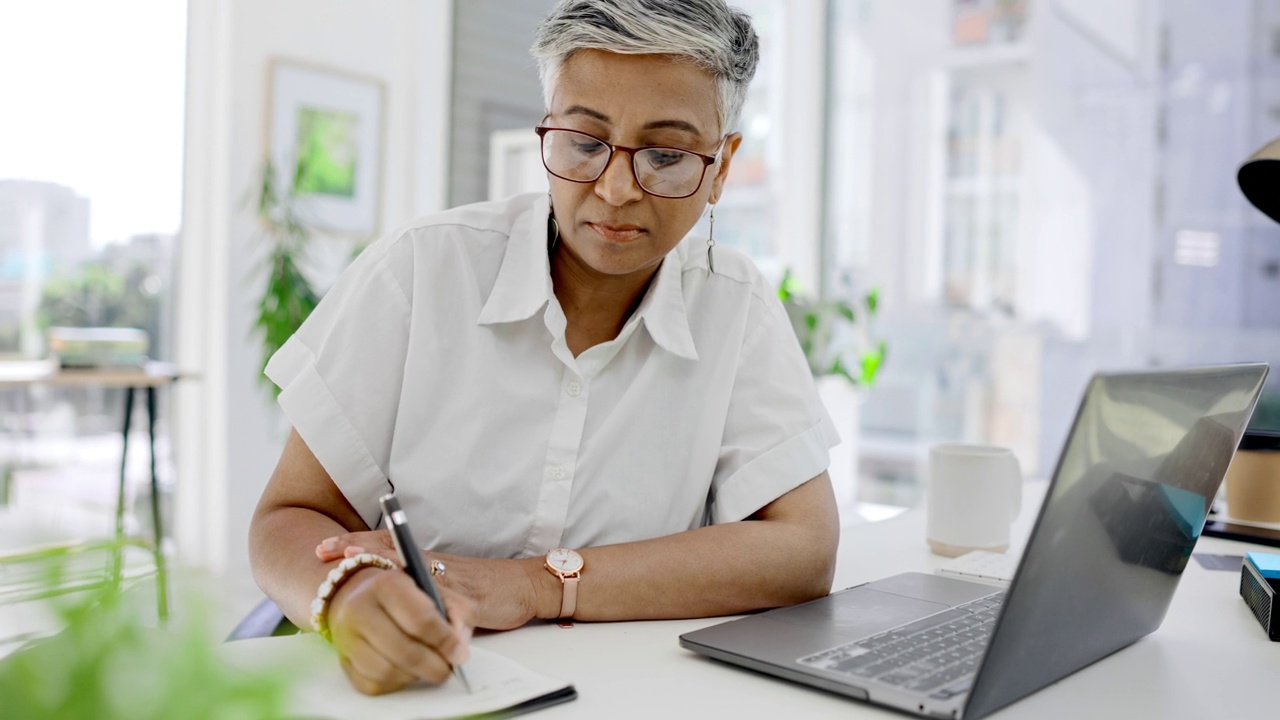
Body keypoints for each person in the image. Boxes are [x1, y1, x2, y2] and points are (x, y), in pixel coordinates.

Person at [248, 0, 840, 696]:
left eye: (668, 156)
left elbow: (802, 551)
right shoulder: (423, 270)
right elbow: (286, 520)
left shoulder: (734, 304)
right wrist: (345, 595)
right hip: (417, 689)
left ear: (721, 168)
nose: (616, 190)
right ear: (547, 131)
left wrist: (535, 584)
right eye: (585, 144)